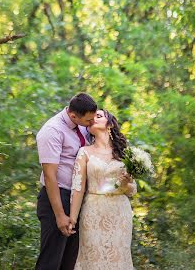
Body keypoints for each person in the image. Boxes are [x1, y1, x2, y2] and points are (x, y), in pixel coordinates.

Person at [35, 93, 98, 270]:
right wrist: (60, 215)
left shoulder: (84, 125)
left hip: (77, 199)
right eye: (88, 120)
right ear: (73, 116)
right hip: (57, 198)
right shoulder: (51, 131)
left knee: (68, 263)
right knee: (50, 263)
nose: (91, 123)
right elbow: (49, 176)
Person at [70, 109, 137, 270]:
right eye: (91, 117)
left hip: (120, 213)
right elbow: (78, 187)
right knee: (93, 259)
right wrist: (72, 219)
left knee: (118, 258)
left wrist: (125, 183)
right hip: (93, 212)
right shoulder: (84, 152)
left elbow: (132, 190)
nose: (93, 119)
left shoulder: (125, 153)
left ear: (110, 124)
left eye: (98, 116)